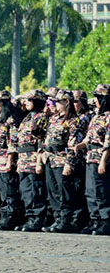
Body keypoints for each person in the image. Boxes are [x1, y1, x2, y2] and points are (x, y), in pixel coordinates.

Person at [40, 89, 86, 233]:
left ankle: (65, 221)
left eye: (58, 102)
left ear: (66, 102)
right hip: (51, 158)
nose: (55, 104)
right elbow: (46, 137)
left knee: (64, 192)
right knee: (52, 190)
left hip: (62, 160)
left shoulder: (73, 121)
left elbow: (73, 145)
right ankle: (57, 219)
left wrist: (69, 162)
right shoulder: (54, 119)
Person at [73, 84, 110, 235]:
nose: (95, 101)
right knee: (90, 191)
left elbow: (108, 141)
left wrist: (103, 161)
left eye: (97, 98)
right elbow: (89, 138)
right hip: (90, 157)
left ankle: (105, 222)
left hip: (101, 158)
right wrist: (79, 145)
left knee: (101, 191)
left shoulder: (109, 117)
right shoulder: (96, 117)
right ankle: (95, 220)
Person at [11, 89, 49, 232]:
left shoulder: (41, 117)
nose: (26, 103)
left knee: (35, 189)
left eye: (29, 100)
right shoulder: (27, 117)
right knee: (26, 190)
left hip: (33, 158)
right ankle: (30, 217)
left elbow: (41, 141)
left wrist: (39, 161)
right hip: (23, 159)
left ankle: (37, 218)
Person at [0, 90, 23, 231]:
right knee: (2, 190)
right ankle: (4, 216)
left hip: (6, 159)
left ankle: (11, 217)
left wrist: (10, 161)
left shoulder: (11, 120)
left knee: (9, 190)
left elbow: (13, 143)